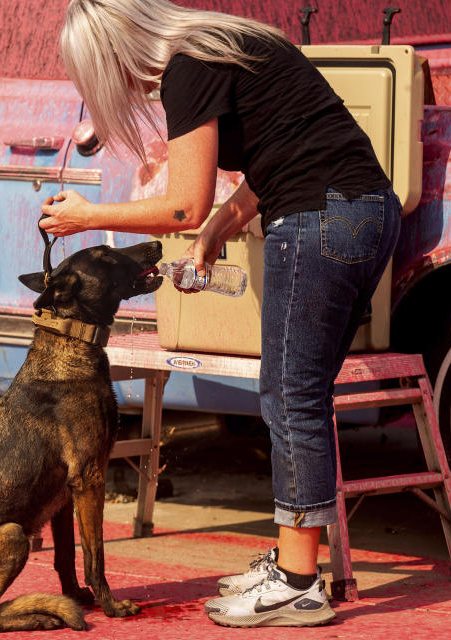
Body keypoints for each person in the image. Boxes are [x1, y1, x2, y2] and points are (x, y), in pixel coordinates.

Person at [41, 0, 400, 628]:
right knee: (301, 396)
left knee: (289, 398)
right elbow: (282, 156)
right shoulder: (228, 41)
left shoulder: (187, 68)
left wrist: (87, 217)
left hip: (317, 222)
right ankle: (297, 565)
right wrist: (218, 229)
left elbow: (180, 203)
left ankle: (297, 584)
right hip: (364, 213)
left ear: (111, 54)